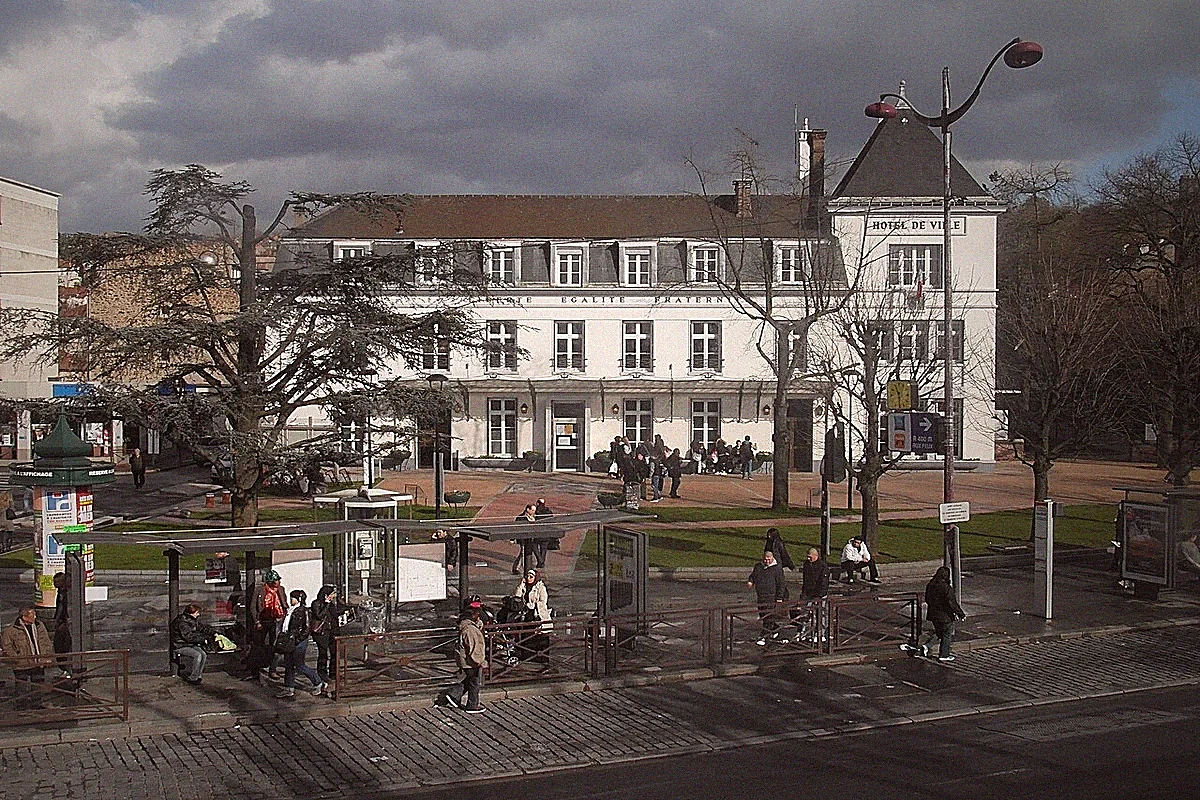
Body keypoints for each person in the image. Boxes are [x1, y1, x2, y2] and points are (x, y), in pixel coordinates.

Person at [903, 566, 966, 661]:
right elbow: (952, 603)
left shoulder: (931, 585)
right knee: (947, 634)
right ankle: (944, 655)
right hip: (945, 615)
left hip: (933, 614)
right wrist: (961, 614)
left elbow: (927, 599)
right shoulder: (946, 588)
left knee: (939, 632)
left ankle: (927, 646)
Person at [1, 606, 54, 708]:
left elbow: (45, 642)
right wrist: (16, 658)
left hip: (38, 662)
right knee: (21, 686)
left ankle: (37, 704)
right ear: (24, 617)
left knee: (38, 684)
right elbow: (7, 647)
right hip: (22, 664)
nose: (35, 617)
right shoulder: (11, 630)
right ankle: (21, 705)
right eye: (32, 615)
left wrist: (47, 656)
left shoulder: (39, 626)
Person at [441, 600, 488, 713]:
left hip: (466, 660)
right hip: (470, 660)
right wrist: (480, 662)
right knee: (474, 682)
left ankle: (453, 695)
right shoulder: (470, 630)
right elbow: (474, 648)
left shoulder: (468, 626)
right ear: (473, 615)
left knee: (470, 680)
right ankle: (472, 705)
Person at [277, 589, 322, 698]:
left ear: (298, 599)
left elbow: (306, 628)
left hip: (298, 641)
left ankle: (317, 681)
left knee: (299, 665)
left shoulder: (303, 611)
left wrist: (298, 639)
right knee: (289, 664)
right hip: (289, 639)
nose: (291, 599)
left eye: (293, 598)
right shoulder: (291, 610)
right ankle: (289, 687)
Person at [248, 569, 287, 683]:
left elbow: (284, 603)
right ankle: (256, 670)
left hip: (277, 620)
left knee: (275, 645)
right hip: (263, 620)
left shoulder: (281, 589)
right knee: (259, 645)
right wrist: (257, 621)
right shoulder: (260, 590)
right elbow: (253, 606)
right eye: (276, 580)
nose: (279, 582)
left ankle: (272, 669)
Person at [747, 551, 788, 645]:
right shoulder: (758, 567)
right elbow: (753, 575)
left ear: (772, 558)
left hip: (771, 597)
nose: (767, 561)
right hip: (761, 596)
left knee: (768, 617)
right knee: (763, 615)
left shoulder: (777, 569)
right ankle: (775, 629)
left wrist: (779, 597)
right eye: (765, 559)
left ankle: (764, 636)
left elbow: (781, 584)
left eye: (769, 559)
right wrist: (750, 581)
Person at [170, 603, 215, 685]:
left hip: (189, 644)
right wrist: (203, 639)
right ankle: (193, 677)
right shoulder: (182, 623)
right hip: (180, 645)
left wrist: (213, 633)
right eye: (197, 613)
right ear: (191, 613)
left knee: (203, 654)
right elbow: (189, 637)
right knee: (197, 655)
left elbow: (202, 628)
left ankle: (198, 675)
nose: (198, 614)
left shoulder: (191, 620)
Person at [309, 585, 339, 693]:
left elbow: (334, 616)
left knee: (334, 652)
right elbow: (319, 615)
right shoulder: (316, 603)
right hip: (321, 633)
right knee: (323, 653)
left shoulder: (332, 604)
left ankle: (333, 673)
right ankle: (322, 673)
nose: (333, 596)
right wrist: (326, 604)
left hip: (331, 631)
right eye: (331, 594)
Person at [798, 548, 830, 642]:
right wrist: (803, 593)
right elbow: (805, 580)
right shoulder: (807, 564)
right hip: (808, 593)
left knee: (821, 614)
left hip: (819, 594)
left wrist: (819, 596)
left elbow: (824, 583)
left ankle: (820, 633)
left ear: (816, 556)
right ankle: (803, 632)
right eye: (807, 557)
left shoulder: (823, 567)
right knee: (805, 613)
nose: (808, 559)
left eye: (810, 557)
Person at [51, 572, 72, 675]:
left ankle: (66, 667)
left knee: (64, 645)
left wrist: (61, 621)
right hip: (62, 621)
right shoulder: (61, 592)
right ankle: (63, 666)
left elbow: (63, 608)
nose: (54, 584)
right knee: (59, 645)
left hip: (66, 622)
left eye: (57, 582)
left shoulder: (67, 593)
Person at [512, 503, 539, 574]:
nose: (534, 512)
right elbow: (515, 529)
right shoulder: (521, 518)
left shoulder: (535, 517)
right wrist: (513, 538)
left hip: (532, 539)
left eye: (534, 510)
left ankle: (529, 567)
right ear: (528, 509)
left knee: (531, 553)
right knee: (523, 552)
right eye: (532, 510)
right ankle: (520, 568)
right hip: (523, 539)